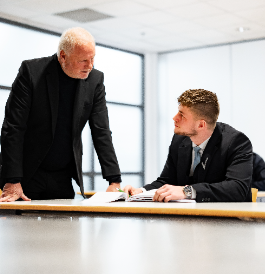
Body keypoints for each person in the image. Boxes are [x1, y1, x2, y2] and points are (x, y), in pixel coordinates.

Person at [0, 27, 121, 202]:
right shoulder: (32, 72)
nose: (90, 65)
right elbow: (13, 127)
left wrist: (114, 180)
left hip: (63, 175)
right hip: (27, 174)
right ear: (63, 56)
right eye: (83, 60)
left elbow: (101, 131)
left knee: (65, 227)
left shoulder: (95, 80)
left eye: (93, 58)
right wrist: (12, 180)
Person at [124, 89, 253, 203]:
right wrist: (141, 191)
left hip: (229, 222)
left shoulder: (237, 142)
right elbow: (167, 181)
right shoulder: (179, 140)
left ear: (201, 125)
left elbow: (238, 188)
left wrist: (188, 191)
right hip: (186, 220)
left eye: (182, 115)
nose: (174, 118)